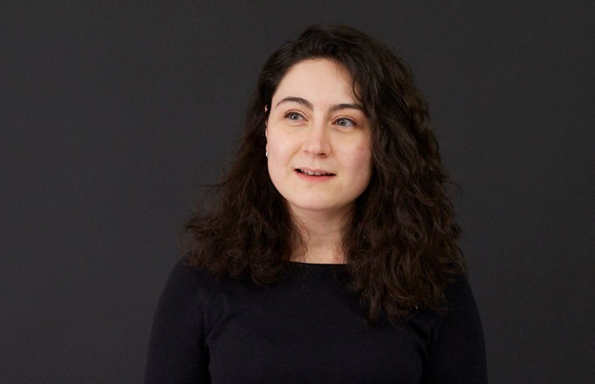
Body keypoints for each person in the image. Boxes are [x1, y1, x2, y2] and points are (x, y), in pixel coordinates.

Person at [144, 24, 487, 383]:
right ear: (267, 129)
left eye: (344, 121)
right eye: (295, 115)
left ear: (383, 143)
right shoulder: (202, 281)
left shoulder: (432, 285)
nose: (316, 145)